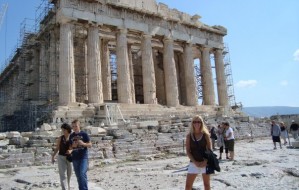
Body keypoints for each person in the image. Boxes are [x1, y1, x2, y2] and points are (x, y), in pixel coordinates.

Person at [185, 115, 212, 190]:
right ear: (192, 123)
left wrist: (206, 161)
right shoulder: (189, 136)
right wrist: (195, 162)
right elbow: (188, 151)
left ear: (201, 123)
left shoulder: (205, 135)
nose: (197, 124)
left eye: (199, 122)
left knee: (206, 185)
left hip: (205, 162)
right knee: (188, 186)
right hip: (194, 162)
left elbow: (210, 149)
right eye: (195, 122)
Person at [68, 119, 92, 190]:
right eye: (73, 126)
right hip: (75, 158)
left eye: (76, 126)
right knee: (78, 176)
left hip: (83, 157)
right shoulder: (71, 136)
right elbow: (70, 147)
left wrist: (83, 144)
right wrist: (73, 146)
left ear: (79, 126)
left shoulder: (84, 134)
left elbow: (90, 144)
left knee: (82, 173)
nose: (74, 128)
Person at [52, 123, 73, 190]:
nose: (62, 131)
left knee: (69, 174)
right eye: (62, 130)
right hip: (61, 157)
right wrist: (53, 156)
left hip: (70, 157)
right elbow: (57, 147)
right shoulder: (61, 138)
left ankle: (68, 187)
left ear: (67, 130)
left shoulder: (72, 137)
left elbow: (74, 147)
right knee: (62, 174)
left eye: (64, 130)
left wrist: (71, 151)